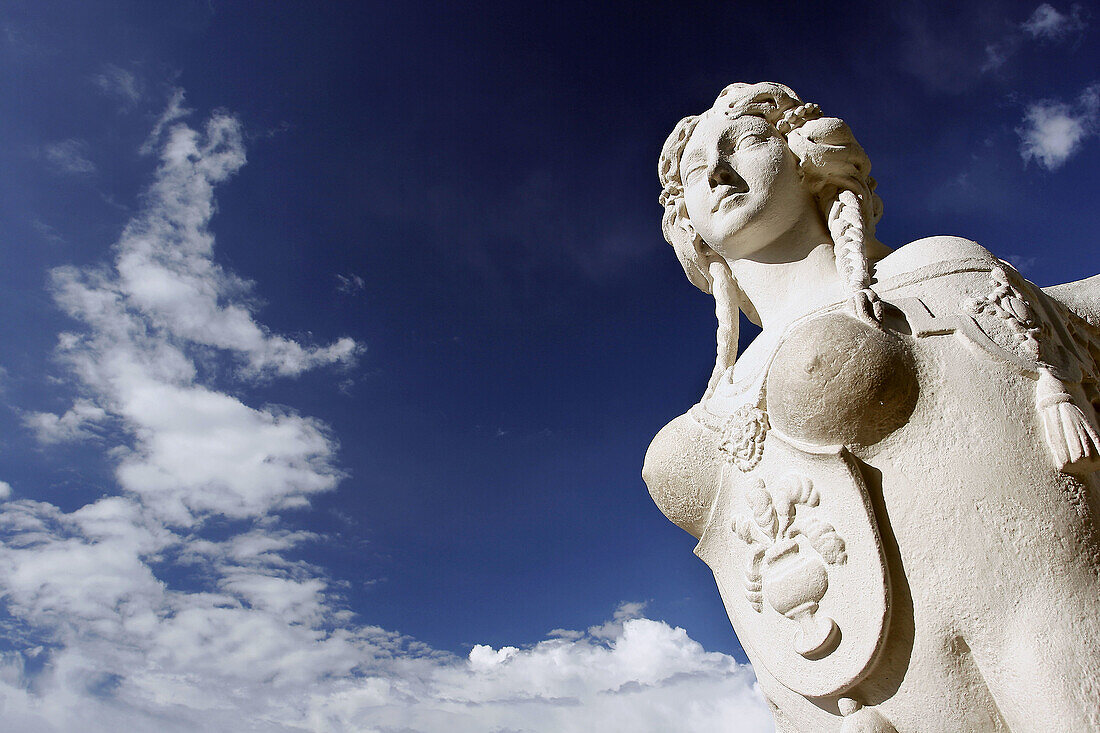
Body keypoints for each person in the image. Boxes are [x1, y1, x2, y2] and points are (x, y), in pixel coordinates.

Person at [643, 82, 1100, 732]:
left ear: (803, 151)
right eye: (693, 173)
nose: (716, 173)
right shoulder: (719, 401)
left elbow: (1047, 596)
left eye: (743, 141)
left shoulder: (933, 275)